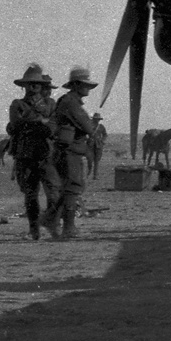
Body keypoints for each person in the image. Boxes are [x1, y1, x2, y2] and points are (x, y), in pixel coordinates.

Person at [40, 65, 98, 241]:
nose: (88, 88)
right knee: (73, 187)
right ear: (76, 85)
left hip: (69, 150)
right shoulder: (71, 103)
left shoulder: (69, 101)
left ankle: (51, 219)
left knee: (70, 188)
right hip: (69, 151)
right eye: (85, 84)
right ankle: (68, 227)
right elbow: (88, 127)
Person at [5, 63, 59, 240]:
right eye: (30, 83)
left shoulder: (51, 104)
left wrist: (33, 125)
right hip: (26, 156)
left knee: (54, 193)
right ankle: (34, 230)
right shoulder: (17, 104)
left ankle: (51, 224)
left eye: (37, 82)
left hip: (47, 155)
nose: (34, 86)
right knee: (31, 195)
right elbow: (15, 125)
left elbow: (52, 127)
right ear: (24, 86)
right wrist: (40, 123)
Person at [88, 113, 107, 179]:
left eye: (98, 119)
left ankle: (95, 176)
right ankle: (88, 173)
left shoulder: (101, 126)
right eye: (95, 119)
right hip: (90, 144)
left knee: (96, 161)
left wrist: (102, 141)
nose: (97, 120)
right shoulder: (88, 125)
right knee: (89, 160)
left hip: (98, 145)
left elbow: (105, 134)